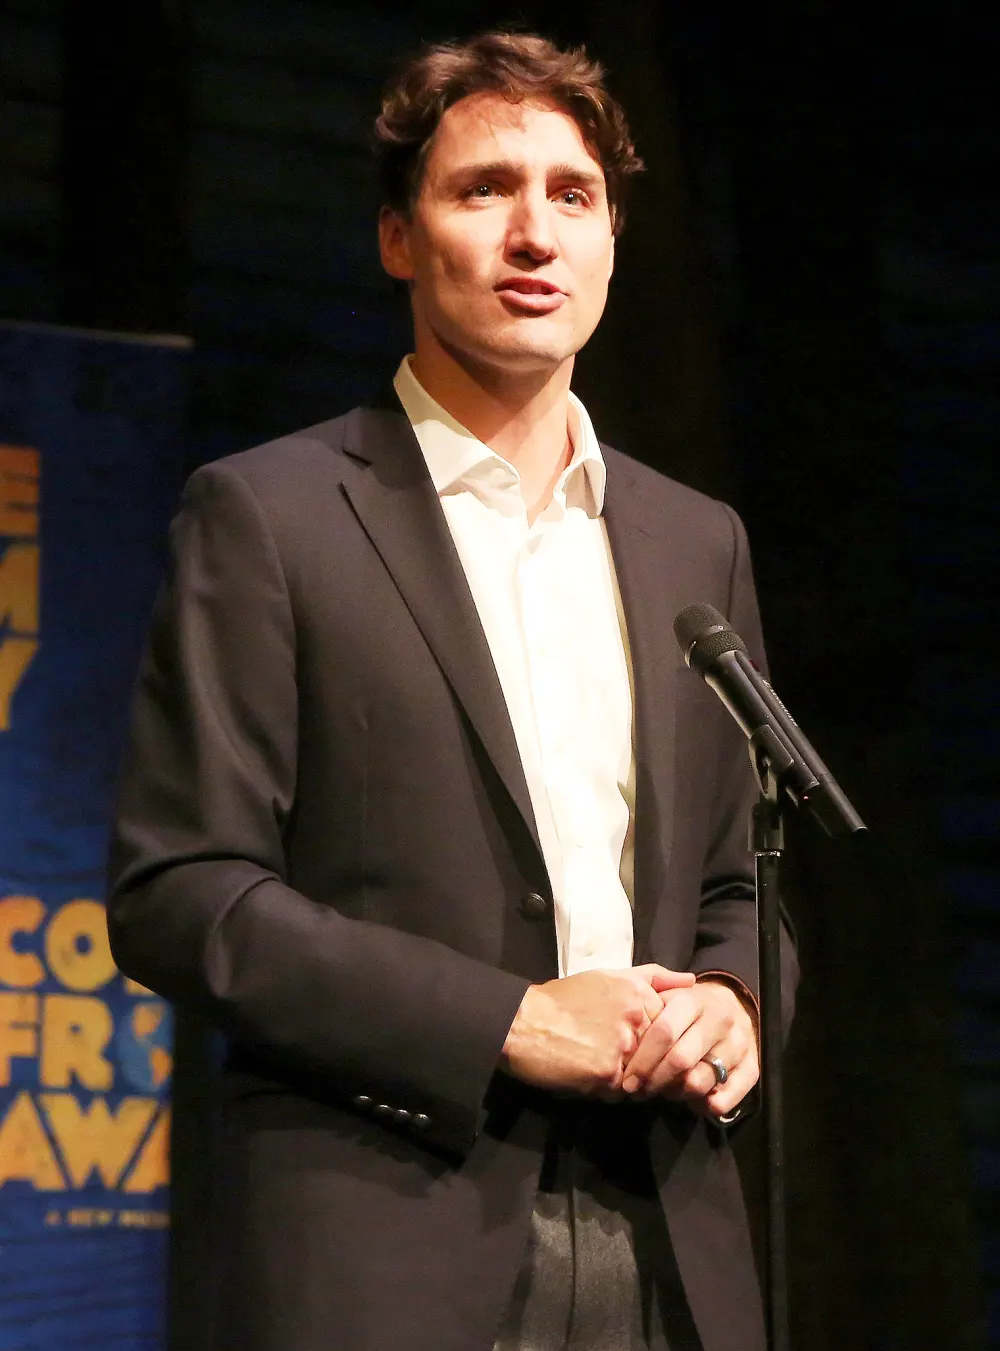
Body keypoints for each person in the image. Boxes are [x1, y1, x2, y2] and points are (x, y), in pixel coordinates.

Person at [108, 30, 797, 1351]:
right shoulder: (273, 514)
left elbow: (734, 881)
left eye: (572, 194)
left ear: (611, 244)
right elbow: (182, 891)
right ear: (399, 239)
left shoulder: (694, 541)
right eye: (485, 189)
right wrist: (511, 1022)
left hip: (669, 1235)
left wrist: (735, 1000)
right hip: (388, 1233)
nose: (535, 230)